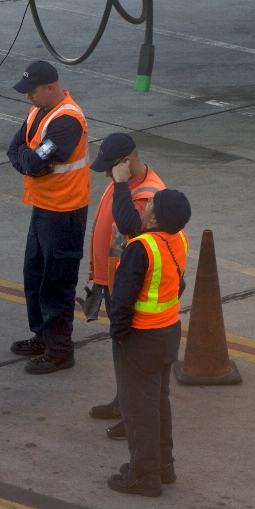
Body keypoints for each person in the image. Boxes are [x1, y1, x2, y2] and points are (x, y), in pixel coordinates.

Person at [6, 61, 91, 374]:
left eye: (32, 91)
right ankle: (42, 336)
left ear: (50, 87)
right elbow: (17, 150)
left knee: (57, 281)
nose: (28, 96)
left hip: (65, 211)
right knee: (35, 274)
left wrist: (27, 161)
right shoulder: (38, 111)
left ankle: (60, 351)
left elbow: (33, 160)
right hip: (43, 206)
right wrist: (28, 161)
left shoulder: (66, 120)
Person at [107, 189, 190, 498]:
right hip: (168, 333)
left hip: (141, 339)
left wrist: (118, 335)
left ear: (154, 217)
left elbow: (123, 301)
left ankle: (144, 476)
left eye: (150, 203)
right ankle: (162, 467)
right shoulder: (178, 238)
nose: (144, 206)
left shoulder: (140, 248)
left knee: (138, 410)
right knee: (158, 403)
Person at [83, 133, 165, 441]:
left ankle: (131, 417)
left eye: (110, 168)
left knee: (130, 353)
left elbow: (130, 226)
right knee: (121, 351)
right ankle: (123, 403)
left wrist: (118, 183)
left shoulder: (147, 193)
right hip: (113, 280)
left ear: (125, 163)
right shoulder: (123, 182)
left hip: (128, 288)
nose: (106, 173)